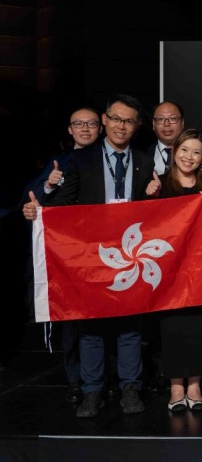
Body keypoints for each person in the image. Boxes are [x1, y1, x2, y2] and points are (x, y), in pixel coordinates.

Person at [23, 94, 154, 418]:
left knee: (129, 326)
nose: (122, 125)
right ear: (105, 120)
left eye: (129, 121)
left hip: (128, 255)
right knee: (90, 327)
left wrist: (156, 196)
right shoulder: (80, 160)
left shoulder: (144, 162)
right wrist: (39, 209)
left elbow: (156, 216)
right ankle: (92, 391)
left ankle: (130, 388)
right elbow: (64, 204)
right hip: (93, 256)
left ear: (136, 127)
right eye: (116, 118)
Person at [22, 106, 102, 405]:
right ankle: (76, 380)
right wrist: (48, 185)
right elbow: (31, 201)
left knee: (106, 317)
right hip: (69, 254)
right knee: (72, 318)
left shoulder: (112, 159)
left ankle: (103, 379)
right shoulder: (60, 163)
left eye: (91, 124)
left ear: (101, 127)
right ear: (69, 129)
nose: (85, 129)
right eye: (78, 124)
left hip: (104, 250)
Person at [144, 129, 202, 412]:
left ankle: (195, 386)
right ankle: (176, 387)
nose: (190, 156)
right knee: (172, 328)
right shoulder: (159, 185)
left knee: (201, 326)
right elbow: (145, 227)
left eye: (196, 152)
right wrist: (149, 196)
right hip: (169, 274)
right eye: (184, 150)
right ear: (174, 152)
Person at [150, 101, 186, 175]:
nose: (166, 124)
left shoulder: (196, 155)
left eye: (173, 118)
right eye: (160, 119)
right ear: (153, 124)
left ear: (182, 123)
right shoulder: (142, 157)